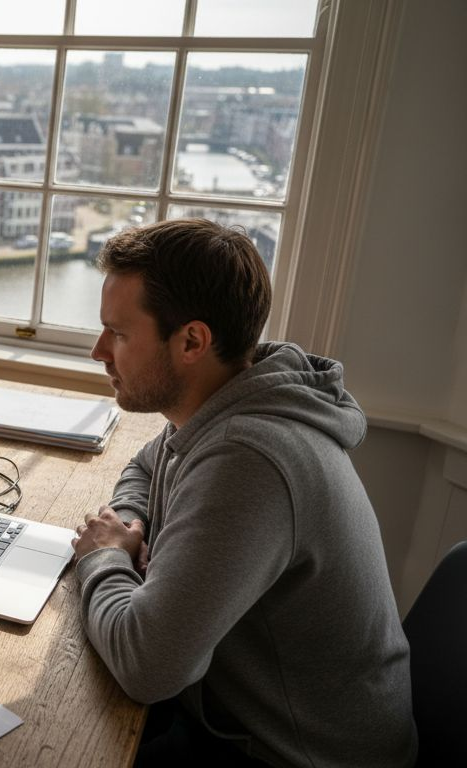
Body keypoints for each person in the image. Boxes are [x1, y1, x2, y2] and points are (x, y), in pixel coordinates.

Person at [73, 218, 415, 766]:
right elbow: (145, 466)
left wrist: (106, 555)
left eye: (117, 333)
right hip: (239, 719)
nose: (98, 351)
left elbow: (147, 667)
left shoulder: (249, 457)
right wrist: (131, 527)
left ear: (192, 341)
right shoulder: (229, 395)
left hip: (293, 756)